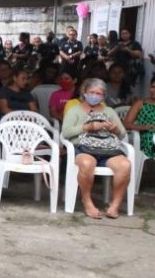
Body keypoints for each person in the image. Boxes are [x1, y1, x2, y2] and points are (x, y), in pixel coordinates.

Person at [62, 78, 130, 219]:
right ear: (84, 93)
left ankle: (115, 205)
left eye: (98, 93)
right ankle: (87, 201)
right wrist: (88, 127)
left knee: (125, 165)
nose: (95, 96)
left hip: (108, 149)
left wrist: (115, 129)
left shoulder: (109, 111)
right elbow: (66, 133)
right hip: (83, 147)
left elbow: (122, 134)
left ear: (103, 96)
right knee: (87, 163)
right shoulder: (75, 110)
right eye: (91, 92)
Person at [123, 76, 155, 162]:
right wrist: (144, 127)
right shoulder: (140, 103)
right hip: (146, 136)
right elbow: (125, 124)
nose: (154, 90)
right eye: (152, 87)